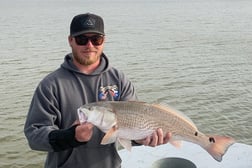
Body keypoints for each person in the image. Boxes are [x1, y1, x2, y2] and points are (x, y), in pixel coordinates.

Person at [24, 13, 171, 168]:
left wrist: (140, 139)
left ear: (103, 41)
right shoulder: (51, 84)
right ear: (70, 41)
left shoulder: (119, 79)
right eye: (82, 39)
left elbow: (133, 125)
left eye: (96, 39)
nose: (89, 45)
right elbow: (34, 134)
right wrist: (70, 136)